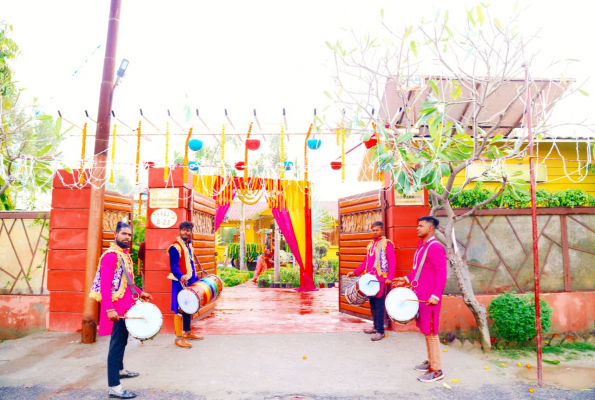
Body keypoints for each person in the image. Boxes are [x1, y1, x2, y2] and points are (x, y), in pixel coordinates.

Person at [89, 221, 152, 399]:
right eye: (124, 234)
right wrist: (109, 309)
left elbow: (128, 283)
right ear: (115, 234)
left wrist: (141, 293)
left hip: (127, 308)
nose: (127, 237)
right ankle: (114, 387)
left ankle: (121, 370)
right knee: (116, 346)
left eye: (129, 235)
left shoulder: (124, 255)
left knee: (123, 341)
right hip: (116, 310)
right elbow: (105, 286)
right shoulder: (110, 256)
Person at [394, 216, 447, 383]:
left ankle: (437, 370)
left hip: (430, 298)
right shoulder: (422, 247)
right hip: (420, 296)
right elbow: (418, 271)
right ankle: (431, 361)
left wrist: (436, 295)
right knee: (426, 330)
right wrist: (405, 279)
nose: (417, 228)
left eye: (421, 226)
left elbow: (442, 272)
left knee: (431, 332)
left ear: (430, 229)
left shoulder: (435, 247)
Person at [346, 221, 396, 341]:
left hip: (380, 279)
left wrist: (390, 277)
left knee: (379, 305)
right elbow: (365, 262)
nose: (374, 232)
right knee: (372, 304)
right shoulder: (370, 245)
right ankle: (375, 326)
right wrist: (355, 272)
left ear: (382, 230)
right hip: (369, 279)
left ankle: (380, 331)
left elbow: (392, 261)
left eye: (377, 230)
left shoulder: (387, 244)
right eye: (373, 230)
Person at [168, 221, 204, 348]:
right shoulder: (175, 247)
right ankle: (178, 337)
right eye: (183, 230)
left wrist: (195, 278)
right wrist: (181, 275)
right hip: (180, 281)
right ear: (180, 230)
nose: (185, 232)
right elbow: (173, 266)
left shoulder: (189, 245)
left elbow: (190, 263)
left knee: (188, 306)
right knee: (179, 308)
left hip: (190, 281)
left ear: (190, 232)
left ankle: (187, 332)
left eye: (188, 230)